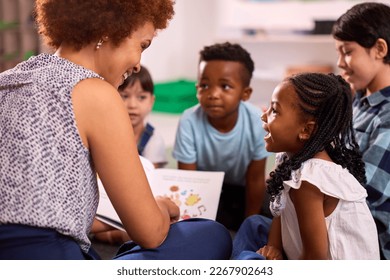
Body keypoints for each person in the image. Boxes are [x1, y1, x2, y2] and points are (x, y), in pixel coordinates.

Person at [0, 0, 232, 260]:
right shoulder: (96, 92)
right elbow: (151, 233)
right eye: (142, 46)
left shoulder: (6, 81)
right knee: (211, 234)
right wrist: (165, 207)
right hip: (47, 258)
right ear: (111, 30)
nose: (137, 65)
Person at [232, 72, 380, 260]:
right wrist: (274, 247)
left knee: (250, 258)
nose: (263, 116)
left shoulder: (309, 180)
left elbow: (316, 258)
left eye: (275, 111)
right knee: (254, 225)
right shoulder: (290, 159)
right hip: (304, 253)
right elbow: (281, 209)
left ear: (306, 130)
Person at [172, 42, 270, 231]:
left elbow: (256, 179)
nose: (213, 94)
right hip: (204, 190)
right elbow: (187, 180)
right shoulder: (189, 120)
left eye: (225, 86)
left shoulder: (256, 121)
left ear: (245, 93)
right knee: (204, 225)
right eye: (205, 85)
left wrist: (249, 223)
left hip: (242, 189)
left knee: (271, 210)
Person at [332, 2, 390, 260]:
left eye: (347, 52)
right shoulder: (358, 100)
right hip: (337, 215)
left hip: (369, 239)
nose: (340, 63)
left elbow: (367, 193)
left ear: (379, 49)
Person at [118, 66, 167, 168]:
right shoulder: (106, 134)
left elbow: (152, 177)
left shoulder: (154, 140)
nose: (132, 105)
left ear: (151, 102)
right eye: (125, 96)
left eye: (141, 97)